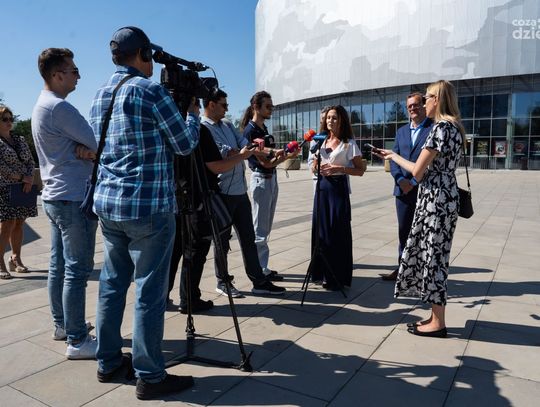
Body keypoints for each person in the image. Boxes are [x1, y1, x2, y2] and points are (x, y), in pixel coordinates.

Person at [89, 26, 199, 400]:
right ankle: (150, 375)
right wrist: (193, 116)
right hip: (149, 206)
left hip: (110, 205)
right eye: (150, 56)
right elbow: (184, 145)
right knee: (149, 292)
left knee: (111, 285)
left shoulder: (100, 94)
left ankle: (108, 362)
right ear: (143, 55)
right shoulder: (150, 91)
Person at [373, 80, 464, 338]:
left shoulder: (440, 128)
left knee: (434, 260)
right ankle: (435, 316)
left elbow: (417, 170)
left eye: (427, 98)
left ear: (438, 100)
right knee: (436, 257)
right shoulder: (455, 127)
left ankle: (438, 323)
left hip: (436, 201)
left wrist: (392, 156)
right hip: (446, 196)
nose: (424, 103)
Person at [31, 48, 98, 358]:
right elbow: (98, 142)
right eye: (73, 71)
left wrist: (85, 151)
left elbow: (88, 146)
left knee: (59, 267)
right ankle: (78, 339)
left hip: (56, 196)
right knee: (77, 270)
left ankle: (63, 325)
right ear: (57, 75)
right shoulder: (60, 108)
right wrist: (89, 151)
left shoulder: (41, 105)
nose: (78, 76)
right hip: (72, 197)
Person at [201, 89, 286, 296]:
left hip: (240, 192)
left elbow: (246, 147)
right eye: (224, 105)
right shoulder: (204, 128)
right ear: (211, 104)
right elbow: (227, 153)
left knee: (249, 238)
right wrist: (245, 152)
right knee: (222, 242)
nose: (227, 108)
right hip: (221, 193)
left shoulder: (227, 125)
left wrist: (273, 151)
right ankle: (223, 282)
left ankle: (258, 281)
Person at [169, 112, 256, 314]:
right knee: (195, 250)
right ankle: (189, 299)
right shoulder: (199, 130)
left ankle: (163, 296)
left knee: (174, 250)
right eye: (223, 105)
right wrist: (242, 156)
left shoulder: (169, 125)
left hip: (173, 196)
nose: (226, 109)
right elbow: (215, 166)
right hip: (197, 197)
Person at [240, 91, 299, 281]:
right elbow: (265, 162)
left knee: (265, 227)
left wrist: (286, 155)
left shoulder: (263, 128)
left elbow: (271, 161)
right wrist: (283, 155)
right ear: (256, 107)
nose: (271, 109)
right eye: (268, 106)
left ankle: (262, 267)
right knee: (260, 229)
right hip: (261, 179)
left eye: (272, 106)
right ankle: (259, 271)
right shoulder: (250, 131)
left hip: (270, 178)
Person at [308, 105, 365, 290]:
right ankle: (322, 273)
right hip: (322, 188)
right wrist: (316, 165)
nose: (330, 121)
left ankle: (338, 277)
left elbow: (360, 170)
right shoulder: (321, 140)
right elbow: (313, 165)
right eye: (328, 118)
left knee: (337, 231)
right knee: (321, 232)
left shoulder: (348, 143)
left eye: (334, 118)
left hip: (338, 189)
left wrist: (339, 168)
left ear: (341, 121)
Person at [380, 93, 433, 281]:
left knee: (423, 232)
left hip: (424, 190)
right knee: (404, 231)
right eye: (409, 106)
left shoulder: (433, 128)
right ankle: (402, 270)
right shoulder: (401, 131)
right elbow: (393, 159)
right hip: (402, 191)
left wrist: (413, 182)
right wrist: (401, 180)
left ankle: (421, 273)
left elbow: (431, 163)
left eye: (416, 105)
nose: (412, 108)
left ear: (424, 106)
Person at [0, 105, 37, 279]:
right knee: (7, 224)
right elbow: (1, 167)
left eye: (11, 119)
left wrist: (29, 178)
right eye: (4, 119)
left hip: (24, 187)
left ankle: (15, 258)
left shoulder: (20, 139)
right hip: (5, 187)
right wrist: (23, 177)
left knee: (19, 223)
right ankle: (0, 262)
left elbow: (30, 161)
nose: (9, 122)